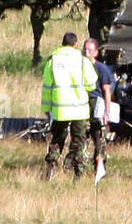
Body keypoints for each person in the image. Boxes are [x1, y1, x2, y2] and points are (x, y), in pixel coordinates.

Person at [41, 32, 98, 181]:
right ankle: (77, 174)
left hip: (60, 109)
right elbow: (92, 85)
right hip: (79, 109)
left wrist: (47, 109)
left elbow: (47, 86)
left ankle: (51, 168)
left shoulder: (52, 60)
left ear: (62, 43)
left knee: (57, 139)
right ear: (75, 44)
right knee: (78, 141)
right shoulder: (82, 61)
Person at [83, 38, 115, 176]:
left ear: (96, 52)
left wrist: (107, 112)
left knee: (99, 138)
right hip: (82, 104)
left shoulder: (102, 69)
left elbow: (107, 91)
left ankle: (99, 169)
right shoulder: (78, 66)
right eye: (84, 49)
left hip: (97, 104)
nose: (86, 52)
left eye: (89, 50)